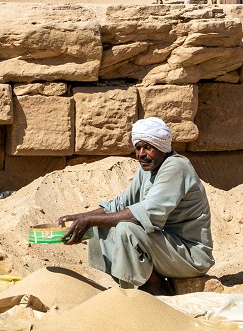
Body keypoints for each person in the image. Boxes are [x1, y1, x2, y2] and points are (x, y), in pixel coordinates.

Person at [59, 117, 214, 294]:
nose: (141, 154)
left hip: (191, 255)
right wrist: (80, 218)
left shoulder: (175, 167)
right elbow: (118, 205)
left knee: (126, 229)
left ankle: (155, 287)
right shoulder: (147, 170)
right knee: (102, 224)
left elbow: (146, 213)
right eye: (138, 147)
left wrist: (89, 220)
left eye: (147, 147)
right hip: (167, 248)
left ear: (162, 146)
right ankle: (137, 283)